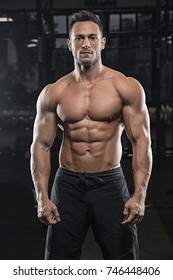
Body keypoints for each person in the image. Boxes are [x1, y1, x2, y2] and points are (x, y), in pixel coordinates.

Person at [30, 10, 153, 260]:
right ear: (69, 44)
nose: (86, 43)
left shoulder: (125, 87)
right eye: (79, 38)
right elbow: (40, 146)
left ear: (103, 42)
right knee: (58, 265)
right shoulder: (54, 92)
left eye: (92, 37)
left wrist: (139, 194)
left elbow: (141, 141)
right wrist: (42, 197)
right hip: (67, 185)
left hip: (109, 183)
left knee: (123, 263)